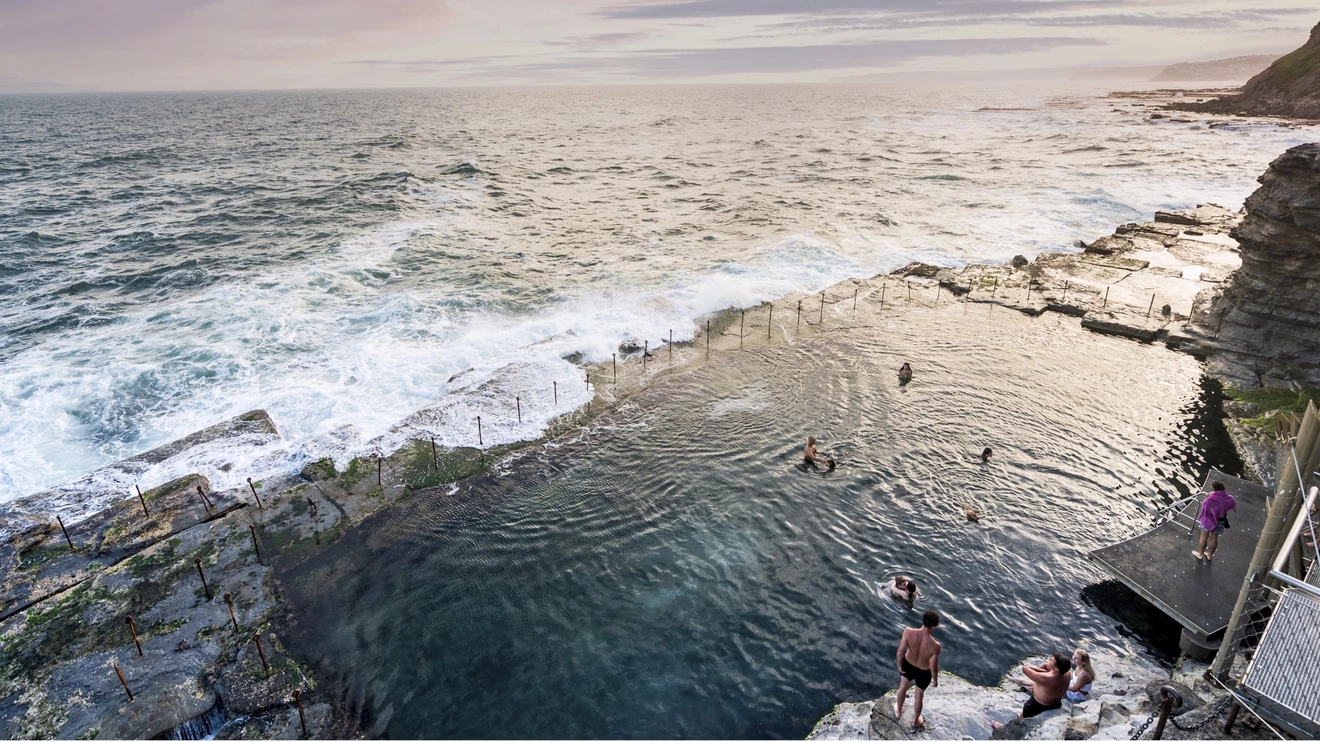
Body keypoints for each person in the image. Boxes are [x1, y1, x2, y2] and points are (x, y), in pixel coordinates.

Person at [895, 610, 941, 730]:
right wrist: (935, 681)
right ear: (934, 626)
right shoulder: (935, 646)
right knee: (918, 696)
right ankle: (915, 721)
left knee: (903, 687)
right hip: (923, 671)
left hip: (908, 664)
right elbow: (934, 667)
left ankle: (898, 711)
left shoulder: (908, 632)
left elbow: (900, 651)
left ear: (923, 621)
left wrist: (899, 666)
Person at [1193, 481, 1237, 561]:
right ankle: (1209, 555)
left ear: (1214, 489)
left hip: (1208, 521)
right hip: (1220, 521)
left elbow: (1204, 511)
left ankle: (1200, 554)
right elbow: (1227, 504)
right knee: (1214, 539)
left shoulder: (1208, 501)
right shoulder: (1230, 499)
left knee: (1203, 537)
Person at [1018, 653, 1072, 718]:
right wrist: (1043, 670)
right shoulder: (1067, 673)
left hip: (1038, 705)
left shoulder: (1045, 679)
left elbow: (1025, 669)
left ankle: (1020, 719)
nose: (1050, 659)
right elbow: (1050, 672)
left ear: (1056, 669)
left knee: (1024, 716)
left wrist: (1030, 667)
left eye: (1052, 660)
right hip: (1056, 703)